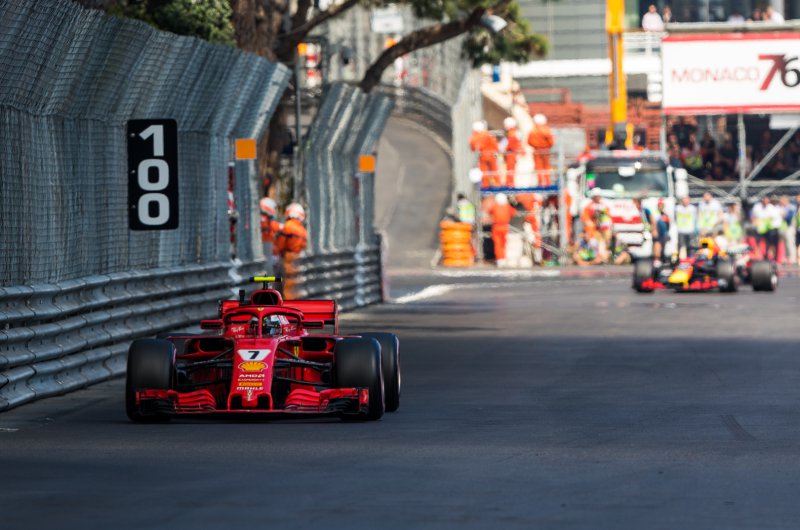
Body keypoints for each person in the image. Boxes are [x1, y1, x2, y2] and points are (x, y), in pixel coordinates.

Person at [488, 193, 516, 267]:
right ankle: (503, 258)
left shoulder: (495, 206)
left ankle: (499, 259)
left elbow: (490, 212)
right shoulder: (507, 206)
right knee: (504, 244)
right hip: (504, 227)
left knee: (498, 244)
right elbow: (513, 212)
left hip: (496, 227)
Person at [469, 121, 499, 188]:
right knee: (494, 171)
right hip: (491, 155)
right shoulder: (488, 134)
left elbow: (473, 146)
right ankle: (497, 184)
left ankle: (485, 185)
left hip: (482, 156)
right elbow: (495, 144)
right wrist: (496, 150)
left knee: (484, 172)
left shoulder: (475, 136)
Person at [527, 114, 555, 186]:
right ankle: (547, 182)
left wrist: (536, 146)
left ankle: (541, 182)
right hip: (545, 151)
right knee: (546, 167)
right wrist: (546, 146)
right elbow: (551, 142)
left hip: (537, 151)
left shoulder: (533, 130)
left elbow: (529, 141)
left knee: (539, 168)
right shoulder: (546, 130)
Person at [751, 195, 778, 260]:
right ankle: (757, 256)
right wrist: (755, 222)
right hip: (760, 228)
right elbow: (753, 216)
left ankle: (770, 256)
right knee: (757, 242)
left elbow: (774, 217)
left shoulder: (771, 207)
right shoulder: (757, 207)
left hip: (769, 228)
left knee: (770, 243)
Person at [501, 117, 522, 187]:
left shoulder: (512, 133)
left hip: (511, 154)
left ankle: (509, 184)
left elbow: (511, 145)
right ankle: (509, 183)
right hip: (512, 154)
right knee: (510, 170)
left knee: (510, 170)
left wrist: (505, 149)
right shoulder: (514, 133)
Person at [653, 198, 671, 263]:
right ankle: (657, 260)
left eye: (662, 205)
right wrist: (654, 231)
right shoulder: (655, 214)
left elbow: (668, 224)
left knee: (663, 247)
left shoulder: (665, 214)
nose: (661, 206)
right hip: (658, 233)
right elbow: (653, 223)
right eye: (659, 205)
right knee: (657, 246)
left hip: (664, 233)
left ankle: (662, 259)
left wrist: (667, 233)